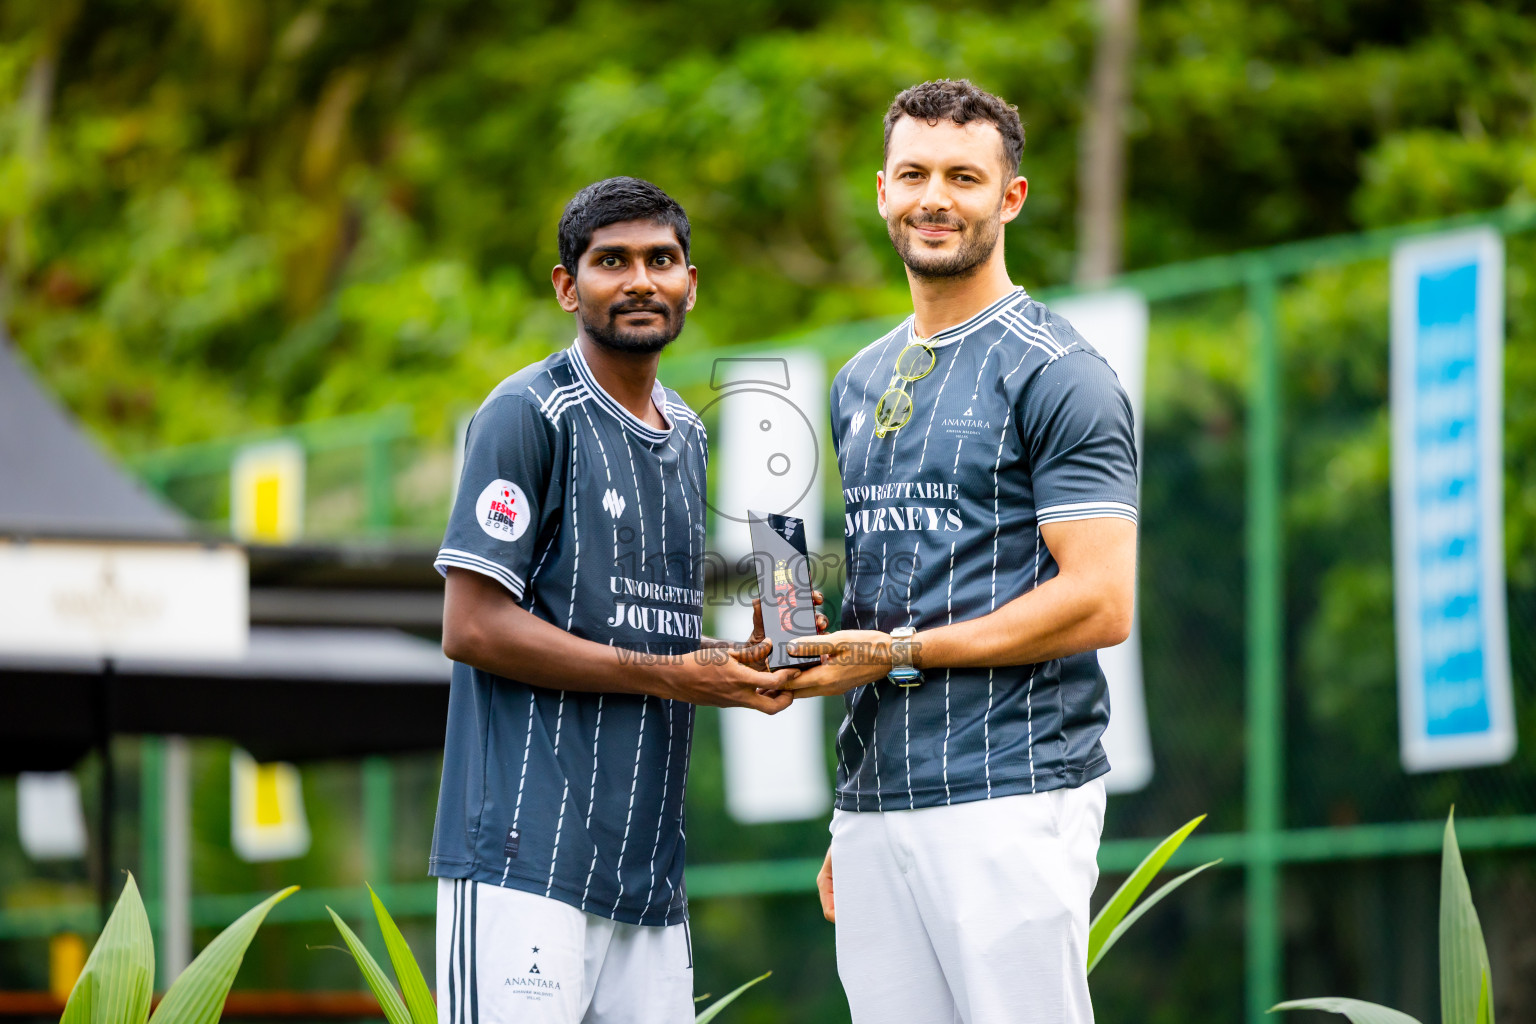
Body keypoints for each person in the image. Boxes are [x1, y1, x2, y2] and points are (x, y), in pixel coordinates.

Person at [785, 80, 1139, 1024]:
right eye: (913, 174)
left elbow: (1102, 600)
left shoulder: (1062, 373)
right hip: (878, 805)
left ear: (1009, 198)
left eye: (962, 177)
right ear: (881, 191)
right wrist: (851, 812)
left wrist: (902, 652)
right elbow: (882, 603)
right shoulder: (859, 379)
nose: (934, 197)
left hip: (1010, 792)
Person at [431, 176, 802, 1024]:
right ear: (568, 287)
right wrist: (677, 675)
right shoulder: (527, 413)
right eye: (612, 262)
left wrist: (758, 650)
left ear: (690, 284)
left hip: (647, 880)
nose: (640, 280)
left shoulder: (694, 434)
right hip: (524, 863)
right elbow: (472, 626)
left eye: (661, 260)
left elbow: (642, 615)